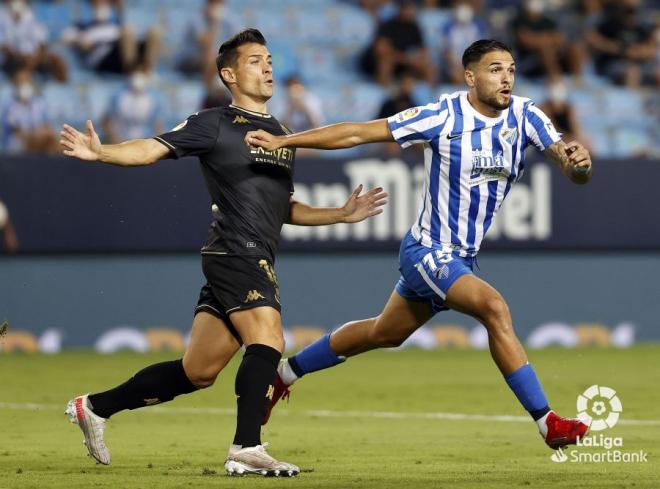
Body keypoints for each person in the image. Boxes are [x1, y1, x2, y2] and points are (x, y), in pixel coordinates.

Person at [59, 28, 387, 477]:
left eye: (269, 58)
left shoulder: (283, 135)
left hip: (250, 253)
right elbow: (151, 149)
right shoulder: (214, 123)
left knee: (198, 372)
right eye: (255, 60)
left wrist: (340, 214)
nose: (268, 66)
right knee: (268, 339)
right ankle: (246, 448)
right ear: (230, 74)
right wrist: (103, 154)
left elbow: (283, 207)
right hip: (235, 250)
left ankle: (94, 407)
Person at [245, 39, 593, 451]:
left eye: (512, 69)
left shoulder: (526, 116)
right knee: (494, 308)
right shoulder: (443, 116)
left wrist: (579, 164)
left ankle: (283, 374)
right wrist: (285, 142)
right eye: (496, 69)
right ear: (471, 77)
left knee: (383, 332)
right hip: (427, 251)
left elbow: (570, 166)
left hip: (461, 258)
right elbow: (359, 132)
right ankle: (547, 423)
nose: (506, 79)